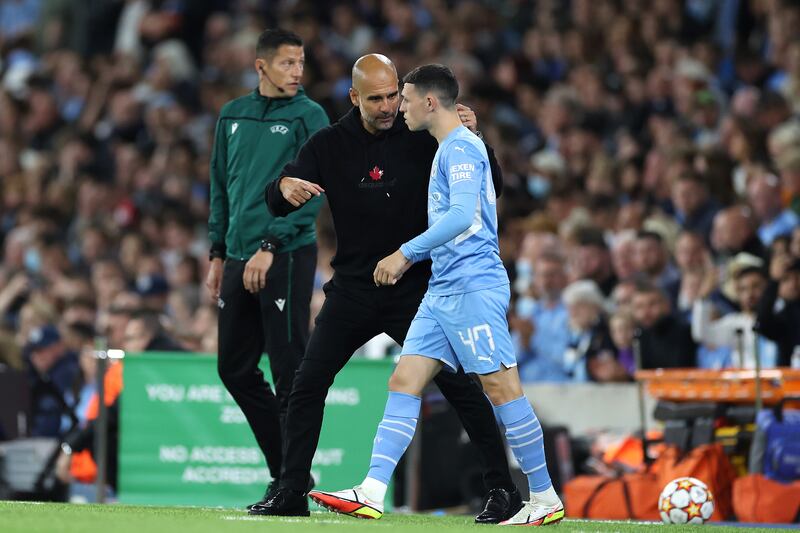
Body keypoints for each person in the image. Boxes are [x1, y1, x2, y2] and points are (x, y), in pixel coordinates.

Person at [258, 55, 521, 523]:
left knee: (462, 388)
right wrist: (285, 185)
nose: (387, 106)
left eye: (393, 95)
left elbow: (490, 189)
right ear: (354, 97)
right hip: (355, 290)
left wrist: (476, 138)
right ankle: (292, 488)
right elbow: (276, 200)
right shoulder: (329, 145)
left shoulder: (425, 133)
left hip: (418, 287)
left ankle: (503, 491)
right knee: (307, 383)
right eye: (375, 98)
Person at [306, 64, 563, 527]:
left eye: (403, 99)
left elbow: (464, 214)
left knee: (502, 389)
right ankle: (371, 489)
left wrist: (404, 254)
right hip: (442, 289)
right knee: (405, 382)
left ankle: (544, 497)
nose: (397, 108)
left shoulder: (461, 149)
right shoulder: (447, 147)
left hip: (472, 286)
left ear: (429, 102)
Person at [205, 28, 329, 508]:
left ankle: (291, 486)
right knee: (233, 367)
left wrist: (269, 244)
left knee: (288, 370)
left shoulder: (309, 116)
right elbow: (220, 184)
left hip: (288, 252)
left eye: (301, 63)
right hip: (237, 255)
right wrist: (218, 252)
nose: (297, 72)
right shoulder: (231, 114)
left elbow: (314, 187)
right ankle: (288, 473)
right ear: (261, 67)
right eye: (287, 64)